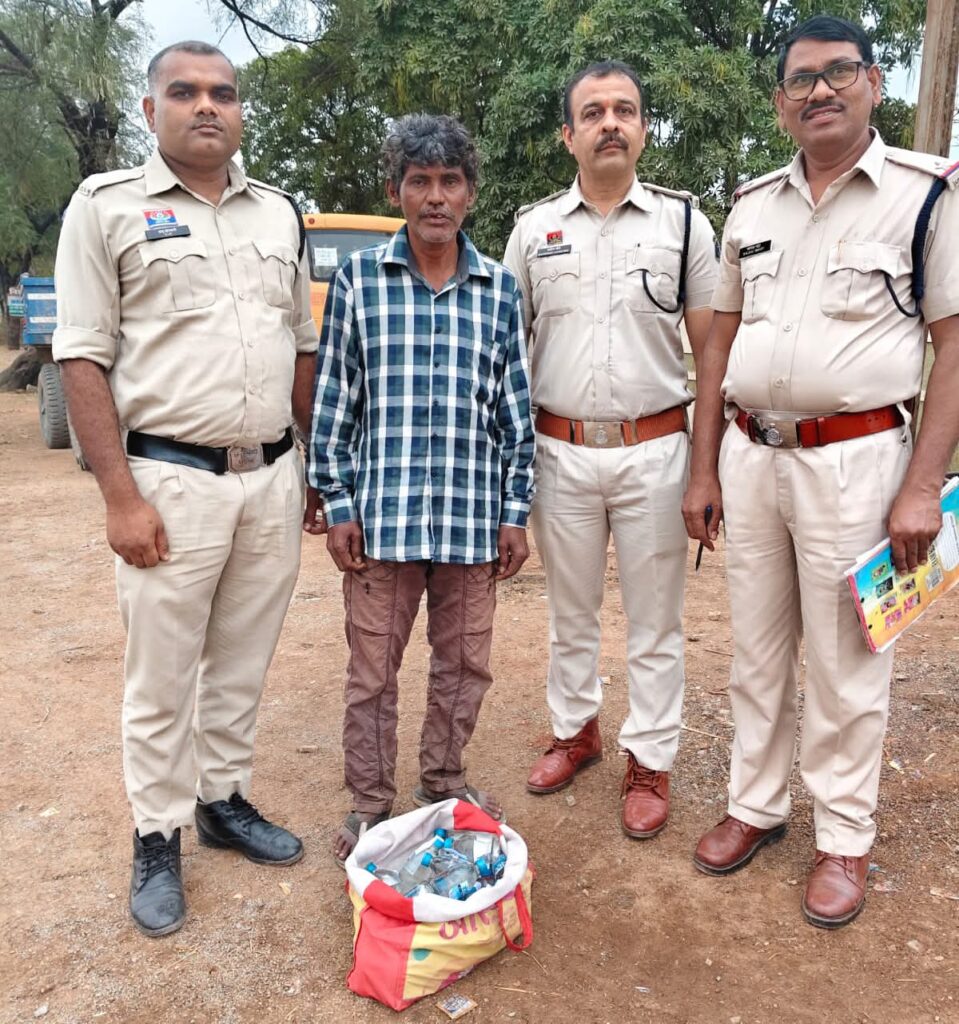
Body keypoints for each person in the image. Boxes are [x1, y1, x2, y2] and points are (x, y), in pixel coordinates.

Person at [683, 14, 959, 928]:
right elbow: (717, 344)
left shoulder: (926, 196)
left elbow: (952, 347)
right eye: (801, 80)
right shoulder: (751, 206)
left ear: (873, 83)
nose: (819, 91)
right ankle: (754, 806)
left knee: (845, 661)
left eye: (838, 72)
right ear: (779, 103)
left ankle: (842, 836)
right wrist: (702, 469)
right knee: (756, 650)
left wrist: (921, 486)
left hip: (857, 460)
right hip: (749, 453)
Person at [53, 41, 319, 937]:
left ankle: (221, 800)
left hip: (270, 475)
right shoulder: (107, 207)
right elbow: (81, 356)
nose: (207, 106)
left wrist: (313, 467)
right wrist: (119, 498)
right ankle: (156, 835)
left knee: (242, 658)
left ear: (240, 110)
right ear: (150, 109)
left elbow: (300, 345)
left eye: (223, 93)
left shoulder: (278, 212)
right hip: (168, 480)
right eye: (185, 91)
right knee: (161, 675)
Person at [304, 114, 535, 865]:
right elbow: (335, 401)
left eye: (450, 182)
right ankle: (370, 802)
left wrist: (514, 512)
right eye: (419, 182)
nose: (435, 197)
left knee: (464, 664)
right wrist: (337, 502)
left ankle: (444, 780)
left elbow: (514, 413)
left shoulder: (499, 290)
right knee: (372, 671)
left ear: (470, 193)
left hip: (472, 522)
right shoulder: (359, 282)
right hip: (382, 521)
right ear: (395, 191)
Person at [502, 61, 717, 838]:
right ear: (568, 135)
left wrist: (705, 468)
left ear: (644, 129)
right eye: (592, 112)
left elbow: (711, 352)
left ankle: (650, 760)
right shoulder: (533, 231)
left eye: (624, 110)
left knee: (655, 623)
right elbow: (506, 350)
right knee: (571, 612)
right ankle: (575, 733)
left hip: (654, 450)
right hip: (558, 450)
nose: (609, 123)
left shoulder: (683, 225)